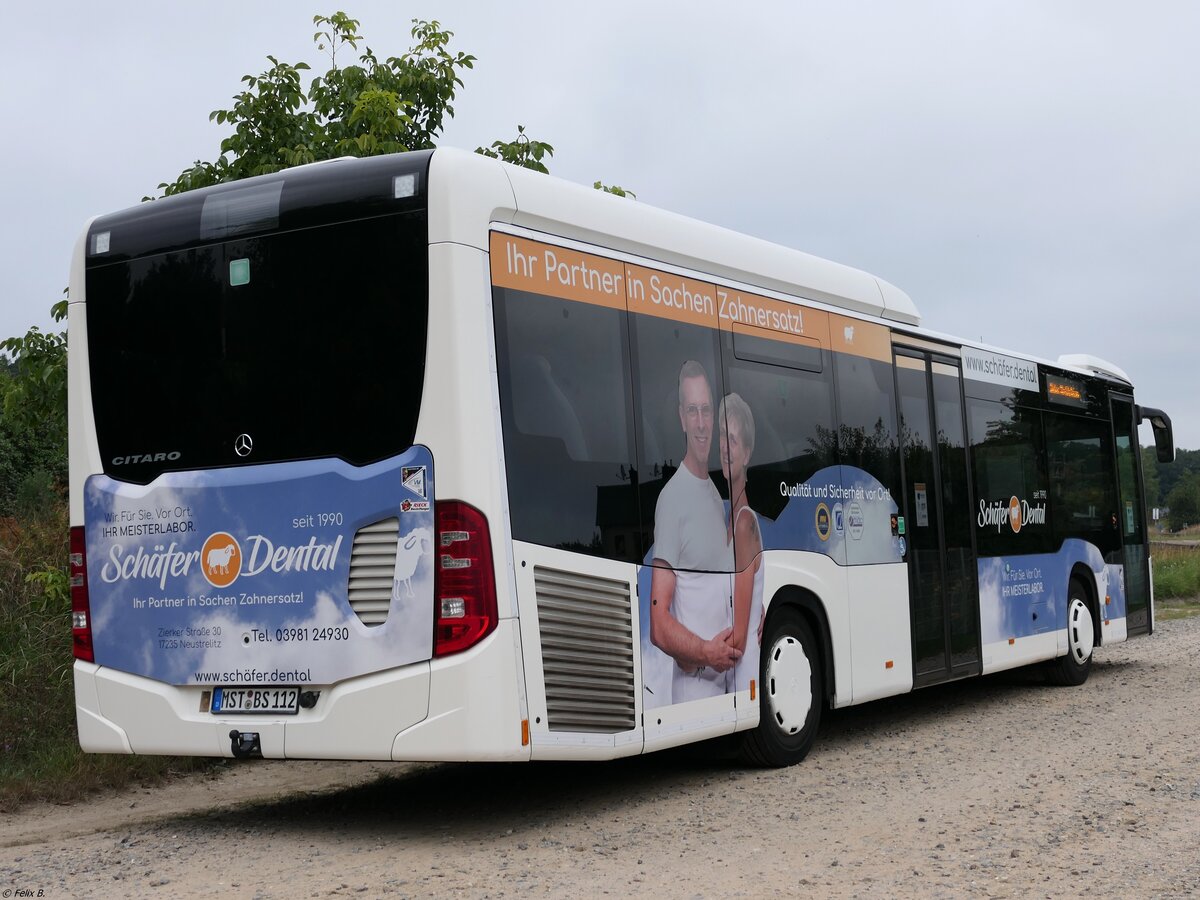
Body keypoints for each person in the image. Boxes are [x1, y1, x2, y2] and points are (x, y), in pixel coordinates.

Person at [649, 360, 739, 702]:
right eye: (692, 411)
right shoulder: (672, 499)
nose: (701, 423)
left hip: (723, 685)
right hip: (695, 690)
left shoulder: (715, 495)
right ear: (681, 418)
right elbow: (658, 623)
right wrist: (706, 653)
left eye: (706, 411)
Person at [719, 393, 763, 694]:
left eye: (732, 440)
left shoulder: (744, 524)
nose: (724, 447)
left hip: (737, 681)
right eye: (722, 436)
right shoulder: (731, 519)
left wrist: (692, 651)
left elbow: (737, 641)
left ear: (746, 454)